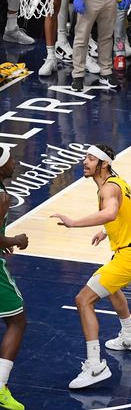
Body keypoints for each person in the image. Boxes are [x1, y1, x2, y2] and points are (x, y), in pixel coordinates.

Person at [50, 144, 131, 389]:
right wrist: (106, 232)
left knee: (83, 300)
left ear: (104, 164)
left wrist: (74, 223)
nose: (85, 162)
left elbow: (110, 213)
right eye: (85, 157)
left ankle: (96, 366)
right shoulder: (117, 181)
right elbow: (123, 215)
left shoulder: (108, 188)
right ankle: (130, 336)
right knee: (110, 287)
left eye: (90, 159)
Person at [0, 153, 29, 410]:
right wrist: (14, 240)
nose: (14, 163)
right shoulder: (2, 197)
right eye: (10, 161)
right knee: (17, 320)